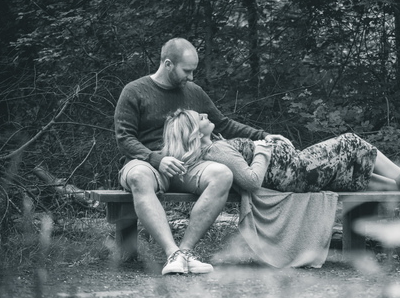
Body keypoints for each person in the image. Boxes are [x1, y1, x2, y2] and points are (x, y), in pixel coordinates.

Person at [115, 38, 290, 275]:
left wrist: (264, 135)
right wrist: (157, 160)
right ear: (168, 64)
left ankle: (186, 252)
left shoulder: (194, 92)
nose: (192, 77)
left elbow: (224, 124)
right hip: (149, 162)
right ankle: (172, 254)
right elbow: (125, 138)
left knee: (222, 174)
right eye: (187, 71)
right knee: (138, 177)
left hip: (189, 162)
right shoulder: (134, 91)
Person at [161, 108, 400, 196]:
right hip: (297, 173)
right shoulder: (217, 151)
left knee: (350, 167)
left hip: (295, 169)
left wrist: (266, 143)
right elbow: (250, 181)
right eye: (200, 117)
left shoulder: (215, 146)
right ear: (193, 133)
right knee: (351, 142)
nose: (206, 114)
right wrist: (263, 151)